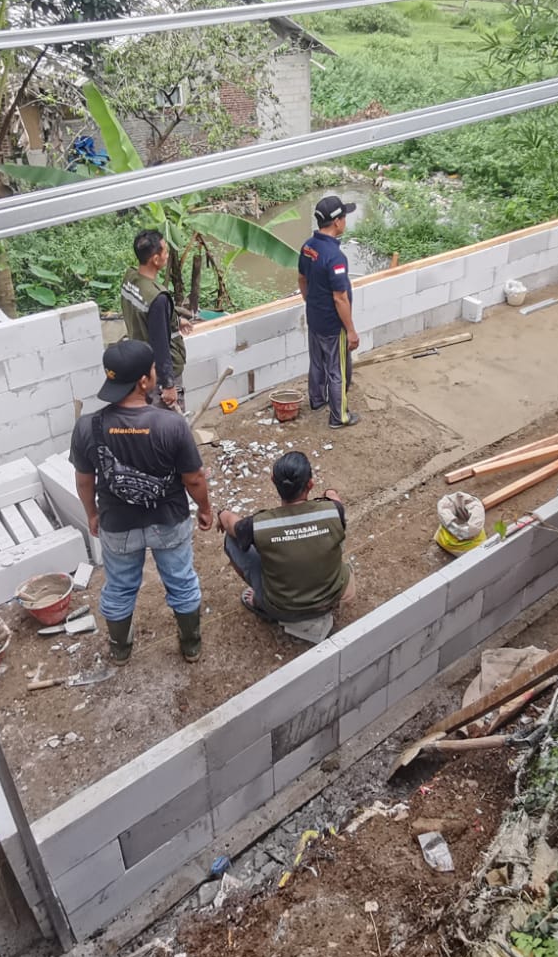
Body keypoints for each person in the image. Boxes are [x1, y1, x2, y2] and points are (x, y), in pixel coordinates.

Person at [70, 339, 214, 664]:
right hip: (168, 521)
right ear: (144, 381)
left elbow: (84, 480)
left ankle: (120, 649)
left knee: (119, 586)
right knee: (180, 580)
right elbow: (194, 478)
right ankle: (190, 643)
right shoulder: (171, 424)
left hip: (118, 525)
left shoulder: (87, 427)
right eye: (152, 370)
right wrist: (205, 509)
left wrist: (92, 515)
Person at [217, 451, 352, 624]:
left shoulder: (258, 524)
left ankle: (261, 602)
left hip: (283, 609)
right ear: (310, 484)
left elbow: (231, 524)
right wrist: (329, 492)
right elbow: (335, 499)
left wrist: (222, 513)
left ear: (273, 480)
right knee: (335, 530)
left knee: (232, 540)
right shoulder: (333, 510)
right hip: (331, 599)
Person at [298, 194, 361, 428]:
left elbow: (302, 279)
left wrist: (311, 303)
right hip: (333, 325)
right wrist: (351, 331)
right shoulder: (335, 257)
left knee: (317, 363)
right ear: (337, 222)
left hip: (314, 318)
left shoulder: (308, 247)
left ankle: (317, 400)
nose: (345, 221)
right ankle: (339, 417)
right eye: (344, 217)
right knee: (338, 371)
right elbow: (340, 298)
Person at [120, 228, 185, 410]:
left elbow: (143, 317)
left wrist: (176, 320)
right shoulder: (158, 298)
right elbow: (161, 345)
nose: (167, 254)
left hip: (139, 364)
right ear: (155, 259)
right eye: (164, 250)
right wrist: (169, 385)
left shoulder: (130, 278)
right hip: (157, 373)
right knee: (169, 426)